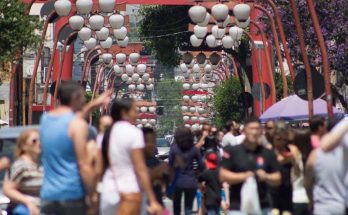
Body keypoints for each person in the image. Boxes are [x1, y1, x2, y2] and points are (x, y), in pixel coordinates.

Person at [39, 81, 108, 215]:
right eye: (82, 97)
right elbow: (84, 165)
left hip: (48, 196)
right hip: (72, 195)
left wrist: (92, 106)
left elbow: (67, 121)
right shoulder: (78, 125)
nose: (83, 101)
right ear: (75, 97)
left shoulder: (46, 120)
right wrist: (92, 194)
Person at [102, 99, 162, 215]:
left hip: (108, 191)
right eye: (134, 111)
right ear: (124, 113)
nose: (137, 114)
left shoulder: (106, 134)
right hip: (129, 191)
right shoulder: (133, 133)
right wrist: (152, 200)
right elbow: (140, 167)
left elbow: (100, 166)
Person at [220, 117, 281, 215]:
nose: (254, 132)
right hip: (238, 207)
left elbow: (278, 177)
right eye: (251, 129)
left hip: (263, 207)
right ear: (244, 131)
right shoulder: (233, 151)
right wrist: (243, 176)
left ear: (261, 131)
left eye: (257, 129)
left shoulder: (267, 153)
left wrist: (266, 176)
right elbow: (222, 174)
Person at [3, 129, 42, 215]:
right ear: (24, 146)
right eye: (34, 141)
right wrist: (28, 203)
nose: (39, 143)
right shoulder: (20, 166)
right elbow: (7, 189)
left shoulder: (41, 165)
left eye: (40, 140)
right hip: (26, 211)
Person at [169, 127, 204, 215]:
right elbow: (201, 165)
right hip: (191, 181)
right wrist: (197, 176)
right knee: (188, 208)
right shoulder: (194, 149)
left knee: (176, 207)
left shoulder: (174, 148)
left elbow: (170, 165)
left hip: (177, 181)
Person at [270, 123, 301, 215]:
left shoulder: (291, 150)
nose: (281, 143)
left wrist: (293, 161)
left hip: (287, 190)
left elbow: (298, 173)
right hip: (271, 191)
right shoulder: (268, 150)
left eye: (284, 140)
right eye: (278, 139)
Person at [305, 146, 346, 214]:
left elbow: (307, 184)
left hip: (322, 206)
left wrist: (310, 200)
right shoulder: (344, 154)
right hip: (341, 206)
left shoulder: (315, 154)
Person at [142, 127, 169, 214]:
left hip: (157, 205)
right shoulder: (136, 161)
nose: (151, 144)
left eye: (153, 141)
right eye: (147, 141)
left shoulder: (155, 161)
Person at [198, 151, 228, 215]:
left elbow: (199, 180)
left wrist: (201, 188)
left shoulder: (206, 173)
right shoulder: (220, 172)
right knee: (217, 212)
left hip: (209, 200)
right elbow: (225, 184)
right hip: (218, 199)